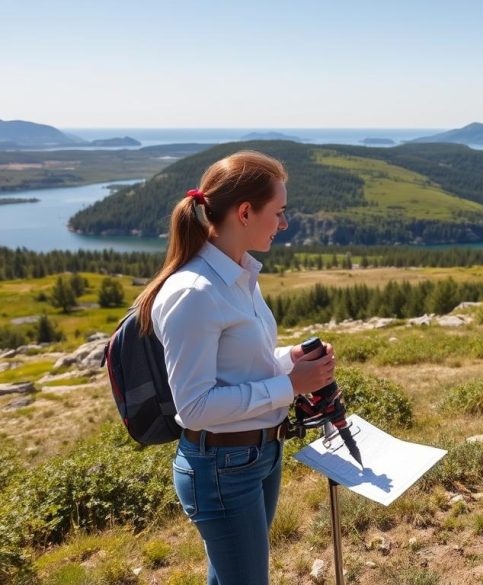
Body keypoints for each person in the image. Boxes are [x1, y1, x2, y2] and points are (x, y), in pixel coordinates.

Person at [133, 151, 336, 585]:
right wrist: (288, 386)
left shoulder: (238, 275)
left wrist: (289, 361)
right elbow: (195, 407)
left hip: (257, 454)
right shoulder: (195, 291)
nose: (283, 224)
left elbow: (237, 365)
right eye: (278, 213)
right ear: (245, 212)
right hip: (222, 466)